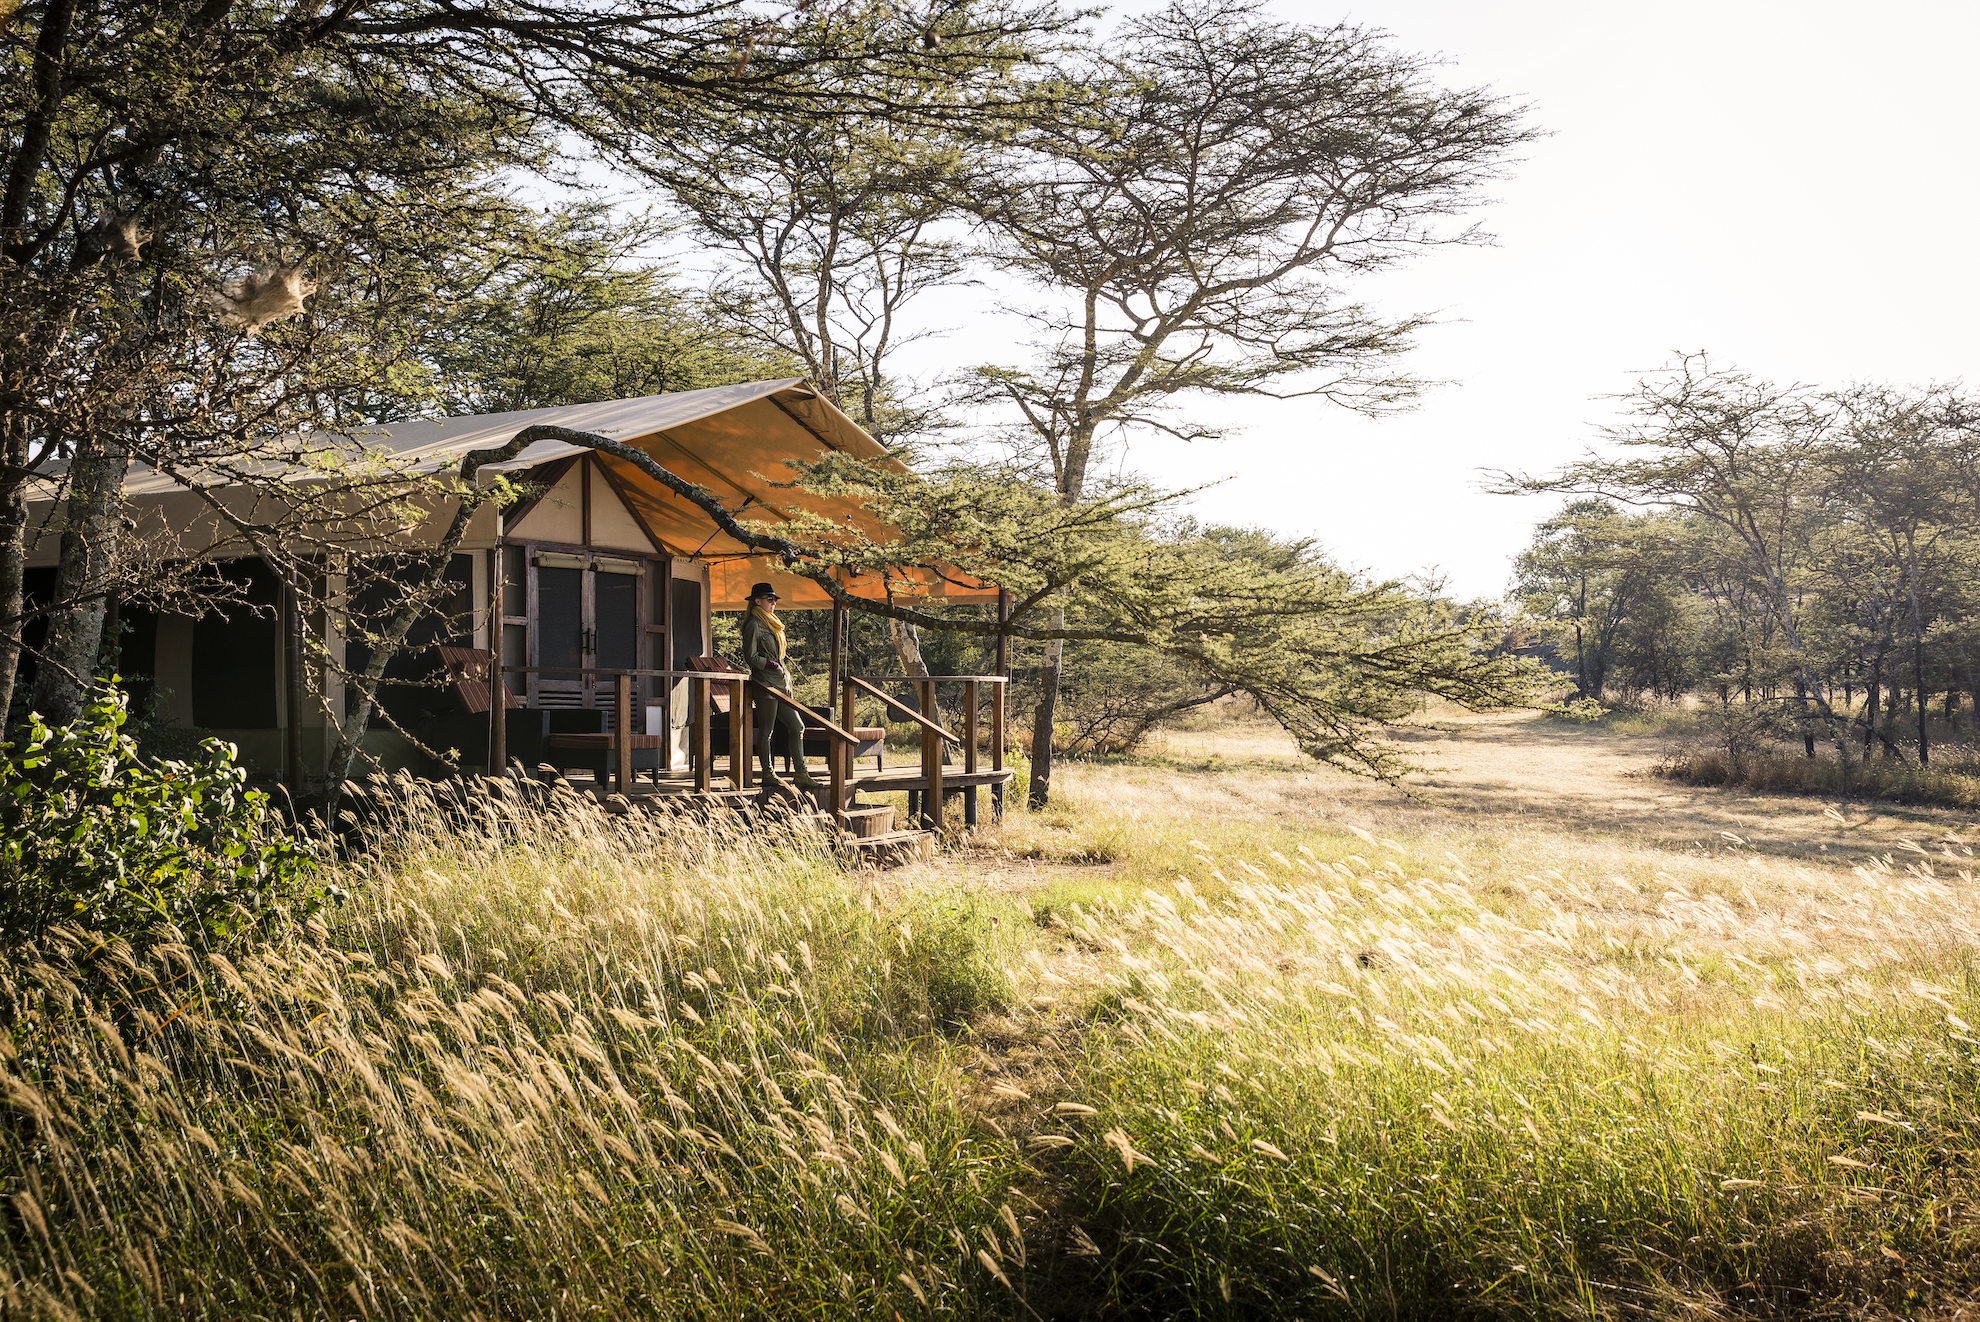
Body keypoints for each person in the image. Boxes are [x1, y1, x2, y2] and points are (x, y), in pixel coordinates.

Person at [739, 582, 822, 796]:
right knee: (767, 730)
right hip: (765, 683)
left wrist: (779, 668)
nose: (774, 603)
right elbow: (751, 656)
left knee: (797, 727)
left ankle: (801, 773)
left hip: (782, 683)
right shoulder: (754, 624)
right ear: (758, 601)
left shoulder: (772, 623)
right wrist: (769, 664)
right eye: (770, 599)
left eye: (774, 599)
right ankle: (767, 773)